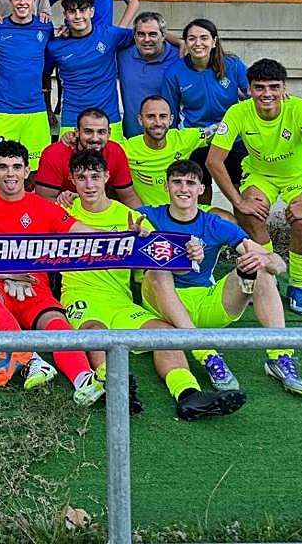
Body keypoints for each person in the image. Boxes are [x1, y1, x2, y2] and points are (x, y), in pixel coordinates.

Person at [60, 151, 246, 417]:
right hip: (81, 297)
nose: (89, 185)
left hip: (121, 301)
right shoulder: (61, 210)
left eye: (95, 177)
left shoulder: (130, 217)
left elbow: (166, 251)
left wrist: (193, 253)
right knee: (95, 331)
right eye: (82, 178)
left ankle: (189, 394)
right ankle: (115, 386)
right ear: (72, 181)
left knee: (165, 333)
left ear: (106, 178)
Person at [141, 159, 302, 396]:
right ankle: (206, 354)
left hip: (207, 303)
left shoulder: (214, 224)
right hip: (162, 305)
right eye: (176, 182)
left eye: (190, 183)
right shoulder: (147, 216)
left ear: (201, 189)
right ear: (166, 187)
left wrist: (266, 261)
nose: (183, 189)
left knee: (259, 268)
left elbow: (279, 264)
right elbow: (108, 222)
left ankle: (279, 355)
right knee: (158, 269)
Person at [0, 141, 95, 395]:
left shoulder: (44, 206)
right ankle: (31, 360)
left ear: (26, 171)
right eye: (3, 167)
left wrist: (125, 236)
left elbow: (82, 233)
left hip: (34, 290)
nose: (10, 174)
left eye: (16, 167)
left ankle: (84, 380)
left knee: (57, 326)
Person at [207, 58, 302, 316]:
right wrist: (238, 201)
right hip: (261, 174)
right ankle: (269, 271)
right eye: (259, 87)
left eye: (273, 87)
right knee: (247, 212)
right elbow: (214, 160)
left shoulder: (301, 109)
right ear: (249, 89)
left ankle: (297, 286)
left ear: (283, 88)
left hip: (298, 176)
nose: (267, 93)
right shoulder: (238, 112)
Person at [161, 18, 249, 202]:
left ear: (214, 41)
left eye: (204, 38)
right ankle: (201, 229)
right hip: (197, 137)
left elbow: (253, 93)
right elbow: (171, 113)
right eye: (192, 38)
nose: (198, 43)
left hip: (234, 138)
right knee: (200, 189)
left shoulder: (232, 64)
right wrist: (173, 143)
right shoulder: (174, 72)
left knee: (239, 189)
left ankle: (242, 231)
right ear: (186, 42)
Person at [0, 0, 55, 170]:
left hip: (36, 113)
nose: (22, 2)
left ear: (35, 0)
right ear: (10, 0)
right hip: (5, 112)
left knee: (36, 172)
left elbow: (49, 65)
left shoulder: (46, 28)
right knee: (1, 169)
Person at [46, 0, 134, 137]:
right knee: (69, 161)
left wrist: (179, 42)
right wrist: (47, 107)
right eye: (72, 11)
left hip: (108, 117)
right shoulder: (55, 46)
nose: (78, 16)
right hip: (72, 119)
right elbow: (43, 75)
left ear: (91, 12)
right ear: (65, 15)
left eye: (82, 10)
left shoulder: (110, 34)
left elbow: (147, 34)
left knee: (111, 161)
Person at [35, 107, 140, 208]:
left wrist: (147, 220)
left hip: (101, 213)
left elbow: (129, 198)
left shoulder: (115, 151)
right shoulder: (54, 153)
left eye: (101, 132)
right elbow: (44, 201)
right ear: (77, 132)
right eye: (88, 131)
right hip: (65, 213)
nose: (95, 138)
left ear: (109, 133)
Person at [122, 96, 213, 208]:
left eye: (163, 116)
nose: (158, 122)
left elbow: (215, 131)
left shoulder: (183, 138)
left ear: (171, 119)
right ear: (140, 120)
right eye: (151, 117)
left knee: (227, 219)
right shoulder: (127, 149)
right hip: (151, 215)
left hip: (183, 210)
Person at [116, 11, 180, 138]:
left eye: (152, 34)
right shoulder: (121, 56)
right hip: (133, 140)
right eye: (141, 34)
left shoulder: (179, 56)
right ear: (134, 36)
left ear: (163, 36)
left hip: (170, 140)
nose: (146, 40)